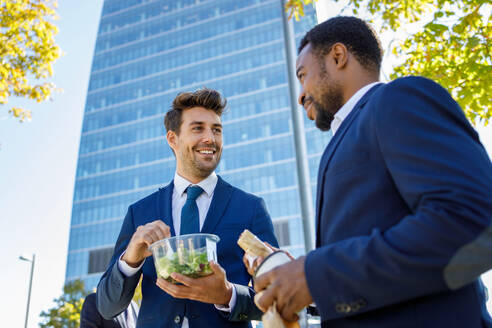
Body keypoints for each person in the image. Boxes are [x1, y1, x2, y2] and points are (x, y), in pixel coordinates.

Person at [254, 16, 492, 328]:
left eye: (303, 75)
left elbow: (473, 220)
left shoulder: (398, 99)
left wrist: (317, 275)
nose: (300, 94)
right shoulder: (348, 135)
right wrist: (300, 283)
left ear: (338, 57)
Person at [96, 88, 278, 328]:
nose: (210, 138)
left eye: (216, 130)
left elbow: (278, 296)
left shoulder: (251, 208)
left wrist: (228, 295)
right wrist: (130, 258)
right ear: (173, 139)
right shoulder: (139, 213)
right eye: (198, 128)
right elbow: (107, 307)